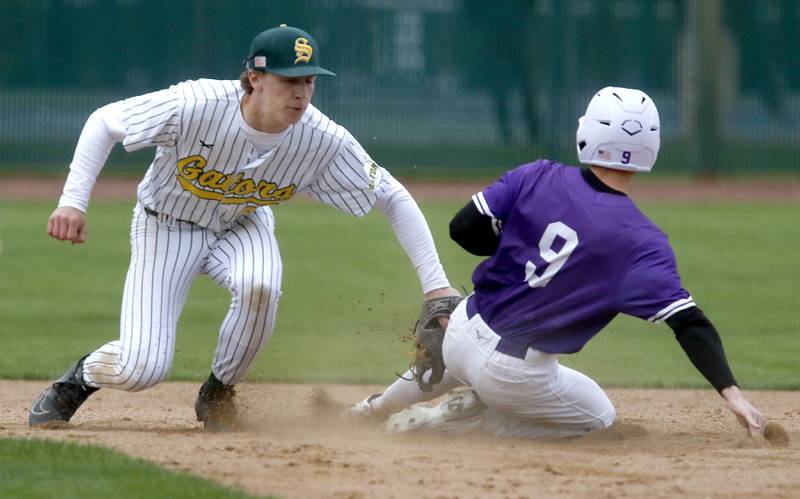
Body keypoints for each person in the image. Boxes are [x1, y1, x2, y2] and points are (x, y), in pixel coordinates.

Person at [29, 24, 459, 430]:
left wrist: (436, 286)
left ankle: (218, 393)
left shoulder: (321, 138)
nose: (301, 93)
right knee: (142, 368)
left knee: (261, 287)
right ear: (254, 77)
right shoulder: (197, 104)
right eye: (289, 80)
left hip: (242, 222)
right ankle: (77, 380)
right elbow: (105, 121)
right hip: (167, 225)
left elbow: (392, 196)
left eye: (309, 81)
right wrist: (72, 202)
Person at [345, 86, 766, 440]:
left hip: (465, 328)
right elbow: (689, 323)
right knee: (600, 420)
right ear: (650, 146)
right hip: (515, 373)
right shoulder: (642, 242)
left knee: (454, 362)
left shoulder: (538, 174)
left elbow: (463, 228)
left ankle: (371, 409)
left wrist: (517, 248)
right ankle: (456, 422)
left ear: (588, 132)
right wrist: (733, 395)